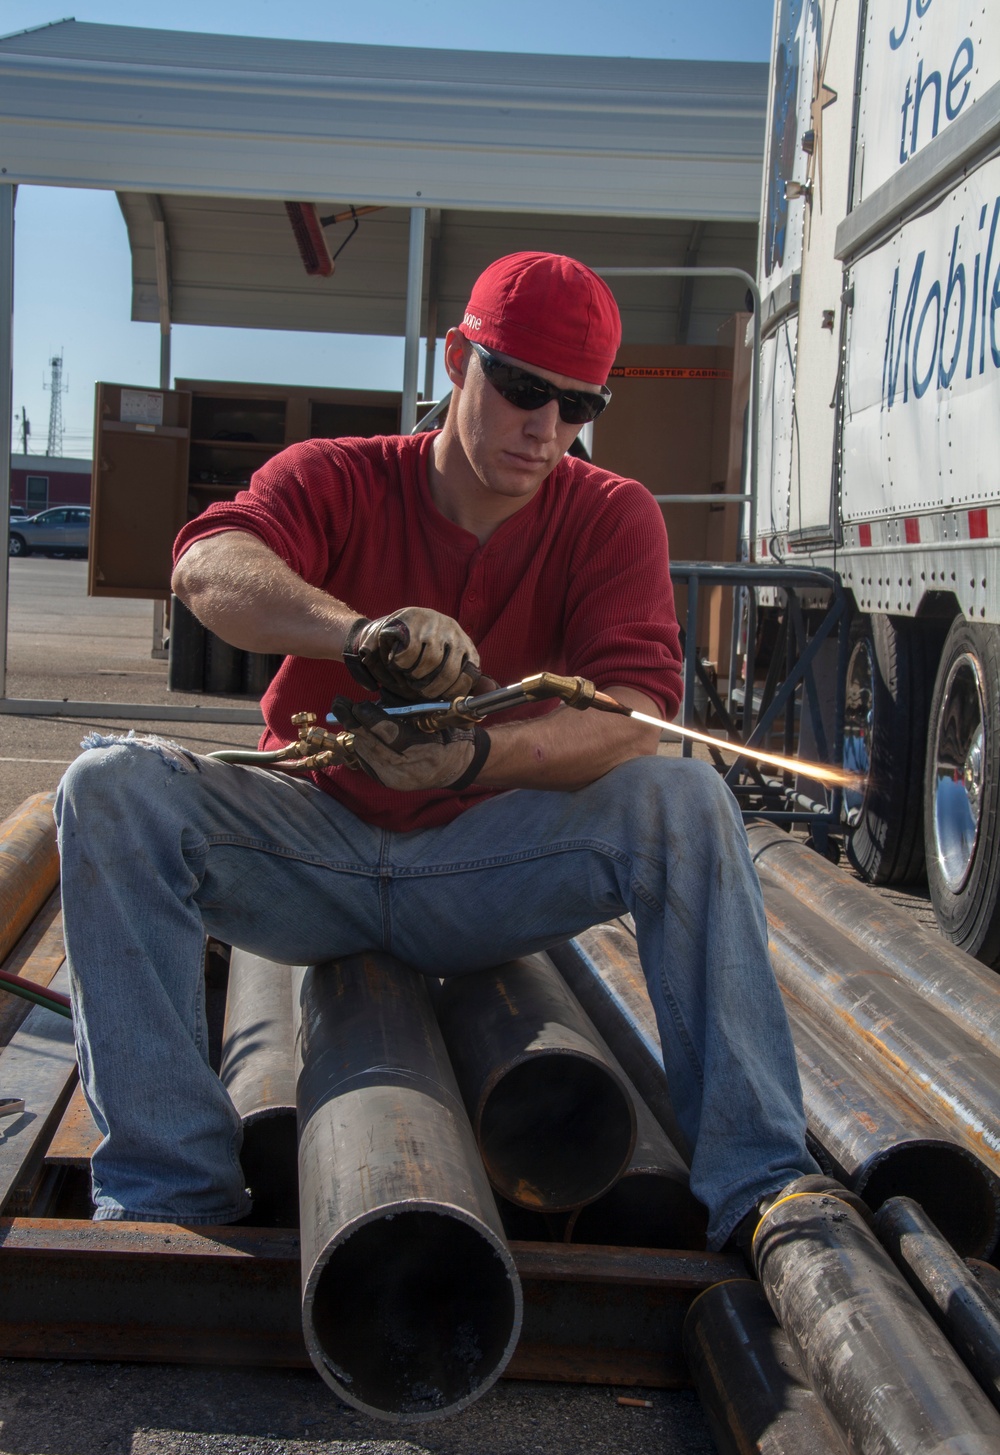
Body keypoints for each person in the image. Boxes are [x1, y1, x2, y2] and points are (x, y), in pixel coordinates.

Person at [55, 251, 818, 1248]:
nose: (544, 427)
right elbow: (208, 567)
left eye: (576, 404)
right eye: (521, 388)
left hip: (478, 870)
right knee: (109, 787)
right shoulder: (338, 476)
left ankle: (761, 1183)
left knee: (688, 800)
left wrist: (473, 761)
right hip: (312, 854)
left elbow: (636, 714)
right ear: (459, 360)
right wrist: (358, 636)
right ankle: (171, 1194)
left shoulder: (609, 514)